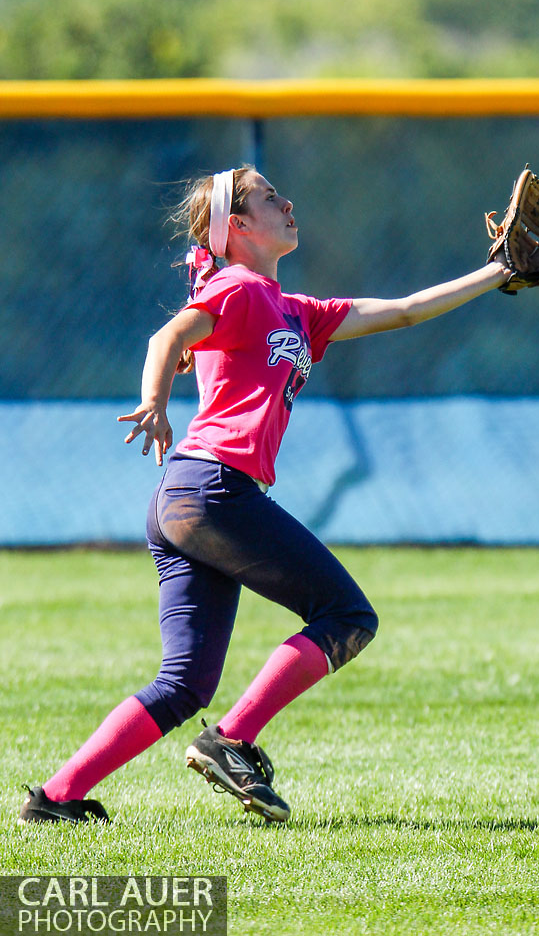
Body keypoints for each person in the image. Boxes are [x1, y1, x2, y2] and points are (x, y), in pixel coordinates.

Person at [19, 165, 511, 824]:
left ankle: (56, 798)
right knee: (347, 615)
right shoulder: (238, 287)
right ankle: (232, 740)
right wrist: (154, 403)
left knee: (185, 682)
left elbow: (406, 311)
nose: (288, 203)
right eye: (268, 198)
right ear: (239, 228)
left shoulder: (298, 312)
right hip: (212, 486)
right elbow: (167, 337)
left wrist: (501, 271)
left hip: (187, 498)